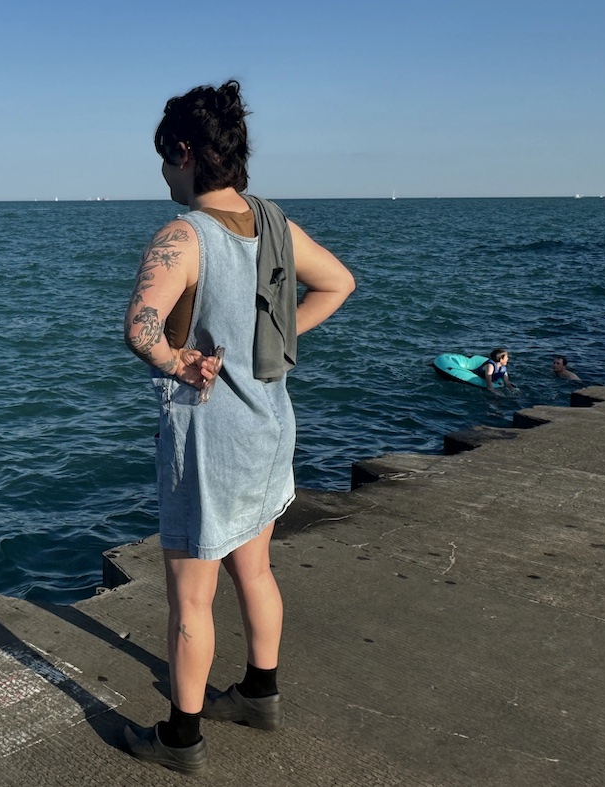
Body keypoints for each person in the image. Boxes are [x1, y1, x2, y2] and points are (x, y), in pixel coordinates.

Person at [121, 80, 355, 774]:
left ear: (187, 152)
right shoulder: (273, 220)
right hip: (270, 428)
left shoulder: (182, 234)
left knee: (191, 600)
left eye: (166, 159)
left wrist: (177, 360)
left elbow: (139, 327)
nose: (163, 173)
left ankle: (182, 737)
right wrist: (275, 342)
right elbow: (339, 282)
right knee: (255, 569)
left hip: (209, 440)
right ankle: (260, 692)